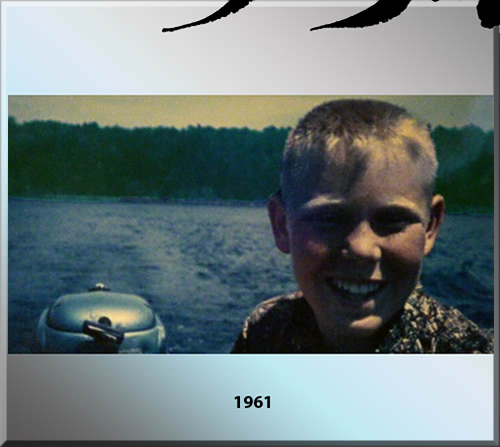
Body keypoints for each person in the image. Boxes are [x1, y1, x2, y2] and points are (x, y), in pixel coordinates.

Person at [231, 99, 494, 354]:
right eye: (329, 219)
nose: (362, 249)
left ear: (430, 226)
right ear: (281, 225)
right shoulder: (264, 331)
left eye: (393, 220)